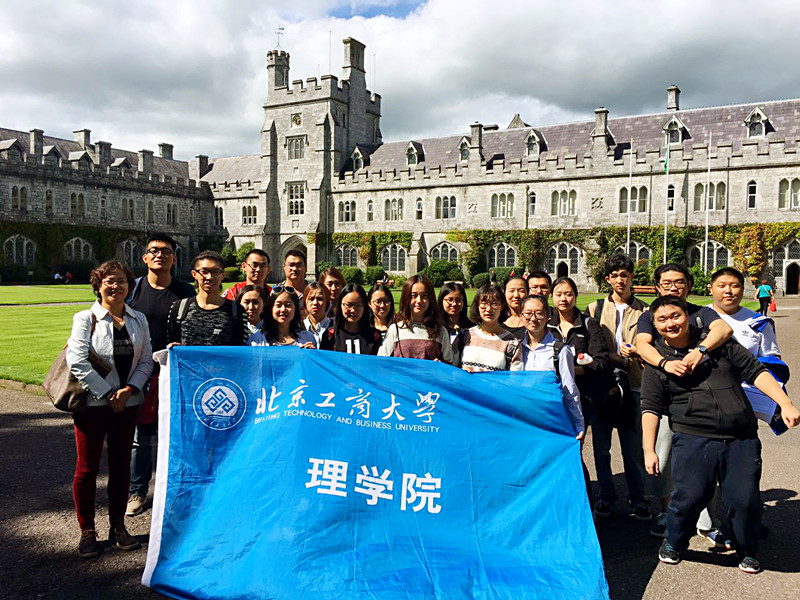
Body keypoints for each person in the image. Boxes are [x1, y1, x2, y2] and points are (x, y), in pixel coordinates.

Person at [640, 295, 800, 574]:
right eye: (662, 320)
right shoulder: (657, 362)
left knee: (744, 499)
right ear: (655, 326)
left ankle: (747, 550)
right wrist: (649, 449)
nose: (670, 323)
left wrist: (785, 403)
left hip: (740, 436)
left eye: (676, 316)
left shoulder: (720, 346)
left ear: (687, 317)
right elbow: (650, 408)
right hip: (692, 437)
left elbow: (755, 371)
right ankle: (675, 541)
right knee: (690, 497)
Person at [634, 263, 734, 538]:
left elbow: (723, 330)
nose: (673, 287)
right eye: (666, 283)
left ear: (689, 285)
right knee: (663, 459)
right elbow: (642, 344)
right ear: (657, 287)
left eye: (679, 282)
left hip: (702, 398)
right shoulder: (650, 316)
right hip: (666, 397)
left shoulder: (701, 313)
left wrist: (699, 350)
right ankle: (666, 512)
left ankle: (707, 523)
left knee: (705, 462)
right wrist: (664, 363)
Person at [65, 260, 154, 559]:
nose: (116, 286)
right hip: (92, 404)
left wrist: (129, 391)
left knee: (120, 466)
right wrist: (107, 394)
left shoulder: (138, 319)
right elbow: (77, 359)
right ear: (98, 285)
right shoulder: (85, 318)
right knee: (87, 468)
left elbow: (147, 359)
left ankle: (118, 526)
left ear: (130, 286)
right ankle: (87, 530)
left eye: (122, 281)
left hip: (127, 403)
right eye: (109, 281)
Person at [125, 233, 195, 518]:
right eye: (154, 250)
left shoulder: (186, 291)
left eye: (166, 251)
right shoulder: (133, 289)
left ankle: (175, 492)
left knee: (177, 436)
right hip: (141, 373)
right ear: (145, 257)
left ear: (174, 259)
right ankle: (137, 492)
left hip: (176, 373)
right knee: (141, 438)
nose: (159, 255)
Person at [584, 254, 650, 521]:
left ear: (631, 277)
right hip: (603, 386)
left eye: (624, 274)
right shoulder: (595, 309)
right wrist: (614, 357)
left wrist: (636, 352)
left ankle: (638, 498)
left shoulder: (645, 310)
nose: (620, 280)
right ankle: (607, 496)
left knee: (632, 449)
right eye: (615, 275)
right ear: (608, 279)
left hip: (634, 384)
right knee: (601, 448)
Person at [511, 295, 584, 439]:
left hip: (550, 420)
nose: (533, 318)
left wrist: (578, 424)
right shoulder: (515, 348)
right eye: (528, 313)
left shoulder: (560, 350)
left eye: (539, 313)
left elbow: (569, 389)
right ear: (521, 316)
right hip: (522, 419)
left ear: (547, 316)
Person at [167, 250, 248, 346]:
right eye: (204, 271)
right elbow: (171, 344)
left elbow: (241, 349)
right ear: (194, 274)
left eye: (215, 272)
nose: (209, 277)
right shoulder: (179, 308)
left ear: (223, 275)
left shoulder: (236, 310)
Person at [378, 275, 454, 363]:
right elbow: (381, 362)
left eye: (424, 296)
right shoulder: (395, 330)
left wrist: (440, 365)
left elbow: (449, 363)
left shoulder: (440, 331)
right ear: (406, 298)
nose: (419, 300)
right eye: (414, 295)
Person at [460, 285, 521, 372]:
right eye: (484, 303)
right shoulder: (465, 336)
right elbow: (451, 368)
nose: (488, 309)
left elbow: (514, 377)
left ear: (502, 306)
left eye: (494, 304)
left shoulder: (512, 343)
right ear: (477, 305)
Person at [320, 283, 382, 354]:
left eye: (358, 305)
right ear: (340, 305)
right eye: (348, 305)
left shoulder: (375, 336)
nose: (353, 310)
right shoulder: (330, 335)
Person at [249, 285, 316, 347]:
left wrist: (311, 352)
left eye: (288, 305)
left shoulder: (308, 338)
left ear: (295, 308)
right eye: (278, 305)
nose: (283, 309)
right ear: (271, 308)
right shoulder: (257, 340)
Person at [438, 281, 472, 362]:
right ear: (441, 300)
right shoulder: (436, 328)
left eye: (458, 300)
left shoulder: (471, 328)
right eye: (450, 300)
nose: (454, 304)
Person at [303, 282, 332, 347]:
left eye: (320, 299)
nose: (315, 303)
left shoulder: (335, 327)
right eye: (311, 299)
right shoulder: (299, 329)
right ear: (305, 302)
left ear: (327, 302)